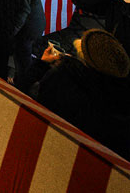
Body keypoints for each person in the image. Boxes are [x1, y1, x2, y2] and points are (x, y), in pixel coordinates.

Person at [35, 29, 130, 159]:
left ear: (85, 60)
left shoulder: (63, 78)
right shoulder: (118, 102)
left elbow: (35, 98)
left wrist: (42, 65)